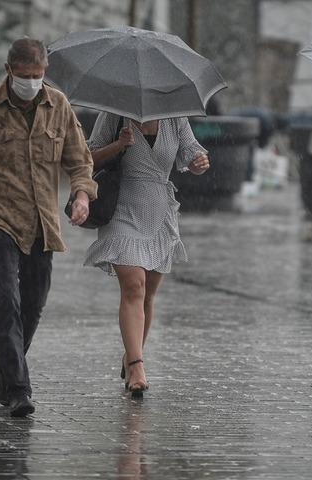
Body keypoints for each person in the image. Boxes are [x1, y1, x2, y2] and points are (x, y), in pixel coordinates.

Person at [0, 38, 97, 417]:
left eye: (38, 75)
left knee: (34, 304)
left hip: (42, 220)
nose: (31, 82)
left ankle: (8, 365)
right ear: (8, 71)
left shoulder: (58, 105)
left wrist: (81, 196)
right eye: (24, 75)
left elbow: (80, 161)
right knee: (6, 298)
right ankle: (18, 389)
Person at [83, 111, 210, 396]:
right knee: (133, 286)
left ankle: (131, 354)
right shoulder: (114, 114)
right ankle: (137, 364)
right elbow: (87, 158)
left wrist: (199, 163)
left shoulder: (175, 116)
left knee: (148, 294)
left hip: (159, 211)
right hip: (121, 208)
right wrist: (118, 145)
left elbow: (192, 154)